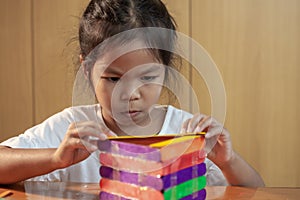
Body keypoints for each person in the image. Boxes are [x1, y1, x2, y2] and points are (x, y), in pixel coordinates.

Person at [0, 0, 264, 187]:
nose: (130, 94)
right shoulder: (73, 131)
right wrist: (55, 158)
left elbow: (257, 190)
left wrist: (228, 161)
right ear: (87, 68)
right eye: (114, 78)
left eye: (148, 77)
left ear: (166, 68)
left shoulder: (185, 132)